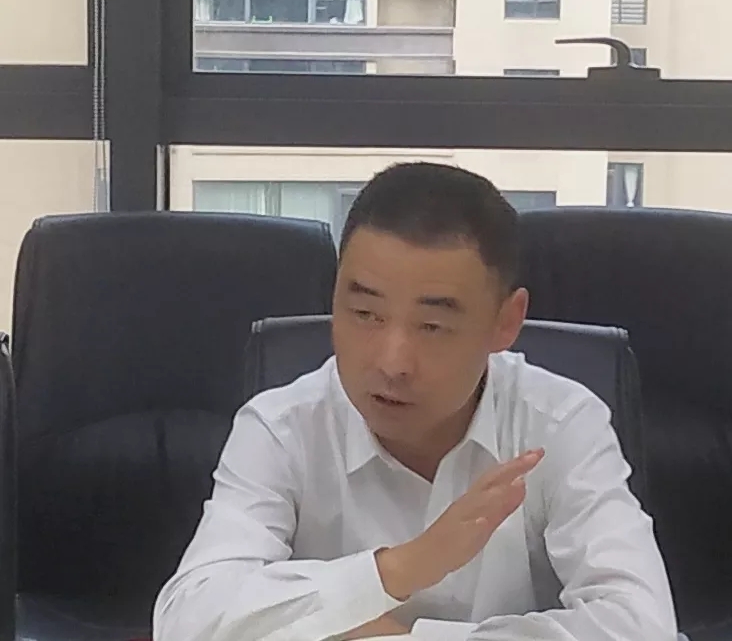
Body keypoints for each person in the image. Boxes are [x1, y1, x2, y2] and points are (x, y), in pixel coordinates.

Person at [153, 162, 677, 641]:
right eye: (365, 314)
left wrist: (390, 635)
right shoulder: (281, 427)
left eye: (432, 325)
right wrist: (400, 568)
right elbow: (187, 620)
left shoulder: (560, 424)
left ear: (506, 322)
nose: (392, 362)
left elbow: (642, 625)